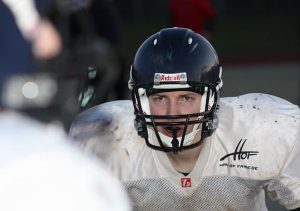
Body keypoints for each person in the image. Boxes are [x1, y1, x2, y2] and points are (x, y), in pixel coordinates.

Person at [69, 27, 300, 210]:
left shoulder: (265, 127)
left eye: (187, 97)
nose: (173, 112)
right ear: (139, 100)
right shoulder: (106, 138)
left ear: (211, 99)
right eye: (159, 98)